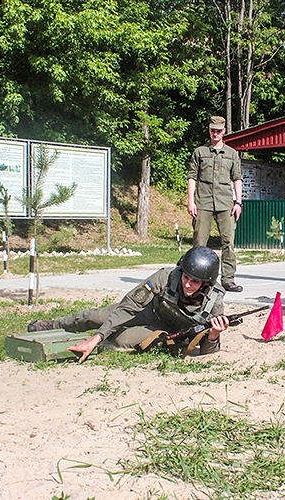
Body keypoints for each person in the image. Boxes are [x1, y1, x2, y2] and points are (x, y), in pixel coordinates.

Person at [27, 246, 230, 362]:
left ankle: (88, 343)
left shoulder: (213, 303)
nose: (187, 284)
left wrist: (213, 335)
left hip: (165, 331)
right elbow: (129, 305)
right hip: (149, 310)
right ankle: (56, 325)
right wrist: (97, 335)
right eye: (186, 277)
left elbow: (207, 351)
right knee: (97, 317)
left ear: (206, 283)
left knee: (121, 339)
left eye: (195, 282)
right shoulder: (166, 277)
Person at [187, 115, 244, 292]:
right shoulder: (200, 152)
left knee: (228, 242)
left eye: (219, 131)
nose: (215, 134)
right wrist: (191, 201)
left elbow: (237, 178)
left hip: (226, 203)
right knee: (199, 242)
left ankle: (228, 279)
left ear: (224, 131)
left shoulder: (232, 154)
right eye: (213, 130)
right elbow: (192, 177)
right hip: (203, 202)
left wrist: (238, 202)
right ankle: (196, 278)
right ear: (209, 130)